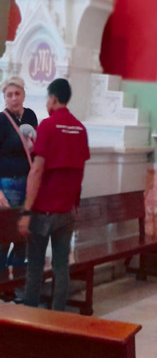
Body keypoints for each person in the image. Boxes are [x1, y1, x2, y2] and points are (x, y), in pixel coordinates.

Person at [18, 78, 90, 311]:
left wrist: (27, 210)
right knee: (61, 267)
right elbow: (79, 170)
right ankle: (59, 317)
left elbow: (37, 170)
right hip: (67, 211)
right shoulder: (80, 129)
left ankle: (30, 314)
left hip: (42, 211)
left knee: (35, 266)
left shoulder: (47, 127)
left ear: (52, 98)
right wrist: (74, 205)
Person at [0, 77, 38, 281]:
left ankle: (16, 282)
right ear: (4, 97)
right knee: (5, 235)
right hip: (8, 183)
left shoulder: (31, 116)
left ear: (24, 94)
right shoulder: (2, 120)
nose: (14, 98)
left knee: (24, 235)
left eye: (17, 94)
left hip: (29, 183)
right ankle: (2, 283)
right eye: (9, 95)